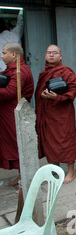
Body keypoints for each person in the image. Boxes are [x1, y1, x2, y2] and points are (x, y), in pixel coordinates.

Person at [35, 44, 76, 183]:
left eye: (54, 52)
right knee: (50, 142)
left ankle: (71, 171)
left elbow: (72, 93)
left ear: (60, 56)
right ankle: (55, 169)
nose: (51, 55)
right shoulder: (44, 73)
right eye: (48, 52)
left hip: (62, 114)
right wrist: (42, 95)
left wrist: (57, 98)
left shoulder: (66, 72)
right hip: (48, 113)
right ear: (45, 55)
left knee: (66, 140)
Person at [0, 42, 34, 185]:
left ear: (13, 55)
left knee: (19, 145)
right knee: (13, 145)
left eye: (4, 53)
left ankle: (26, 180)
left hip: (15, 114)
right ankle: (21, 176)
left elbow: (10, 92)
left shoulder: (22, 71)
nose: (2, 57)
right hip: (7, 114)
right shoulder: (11, 70)